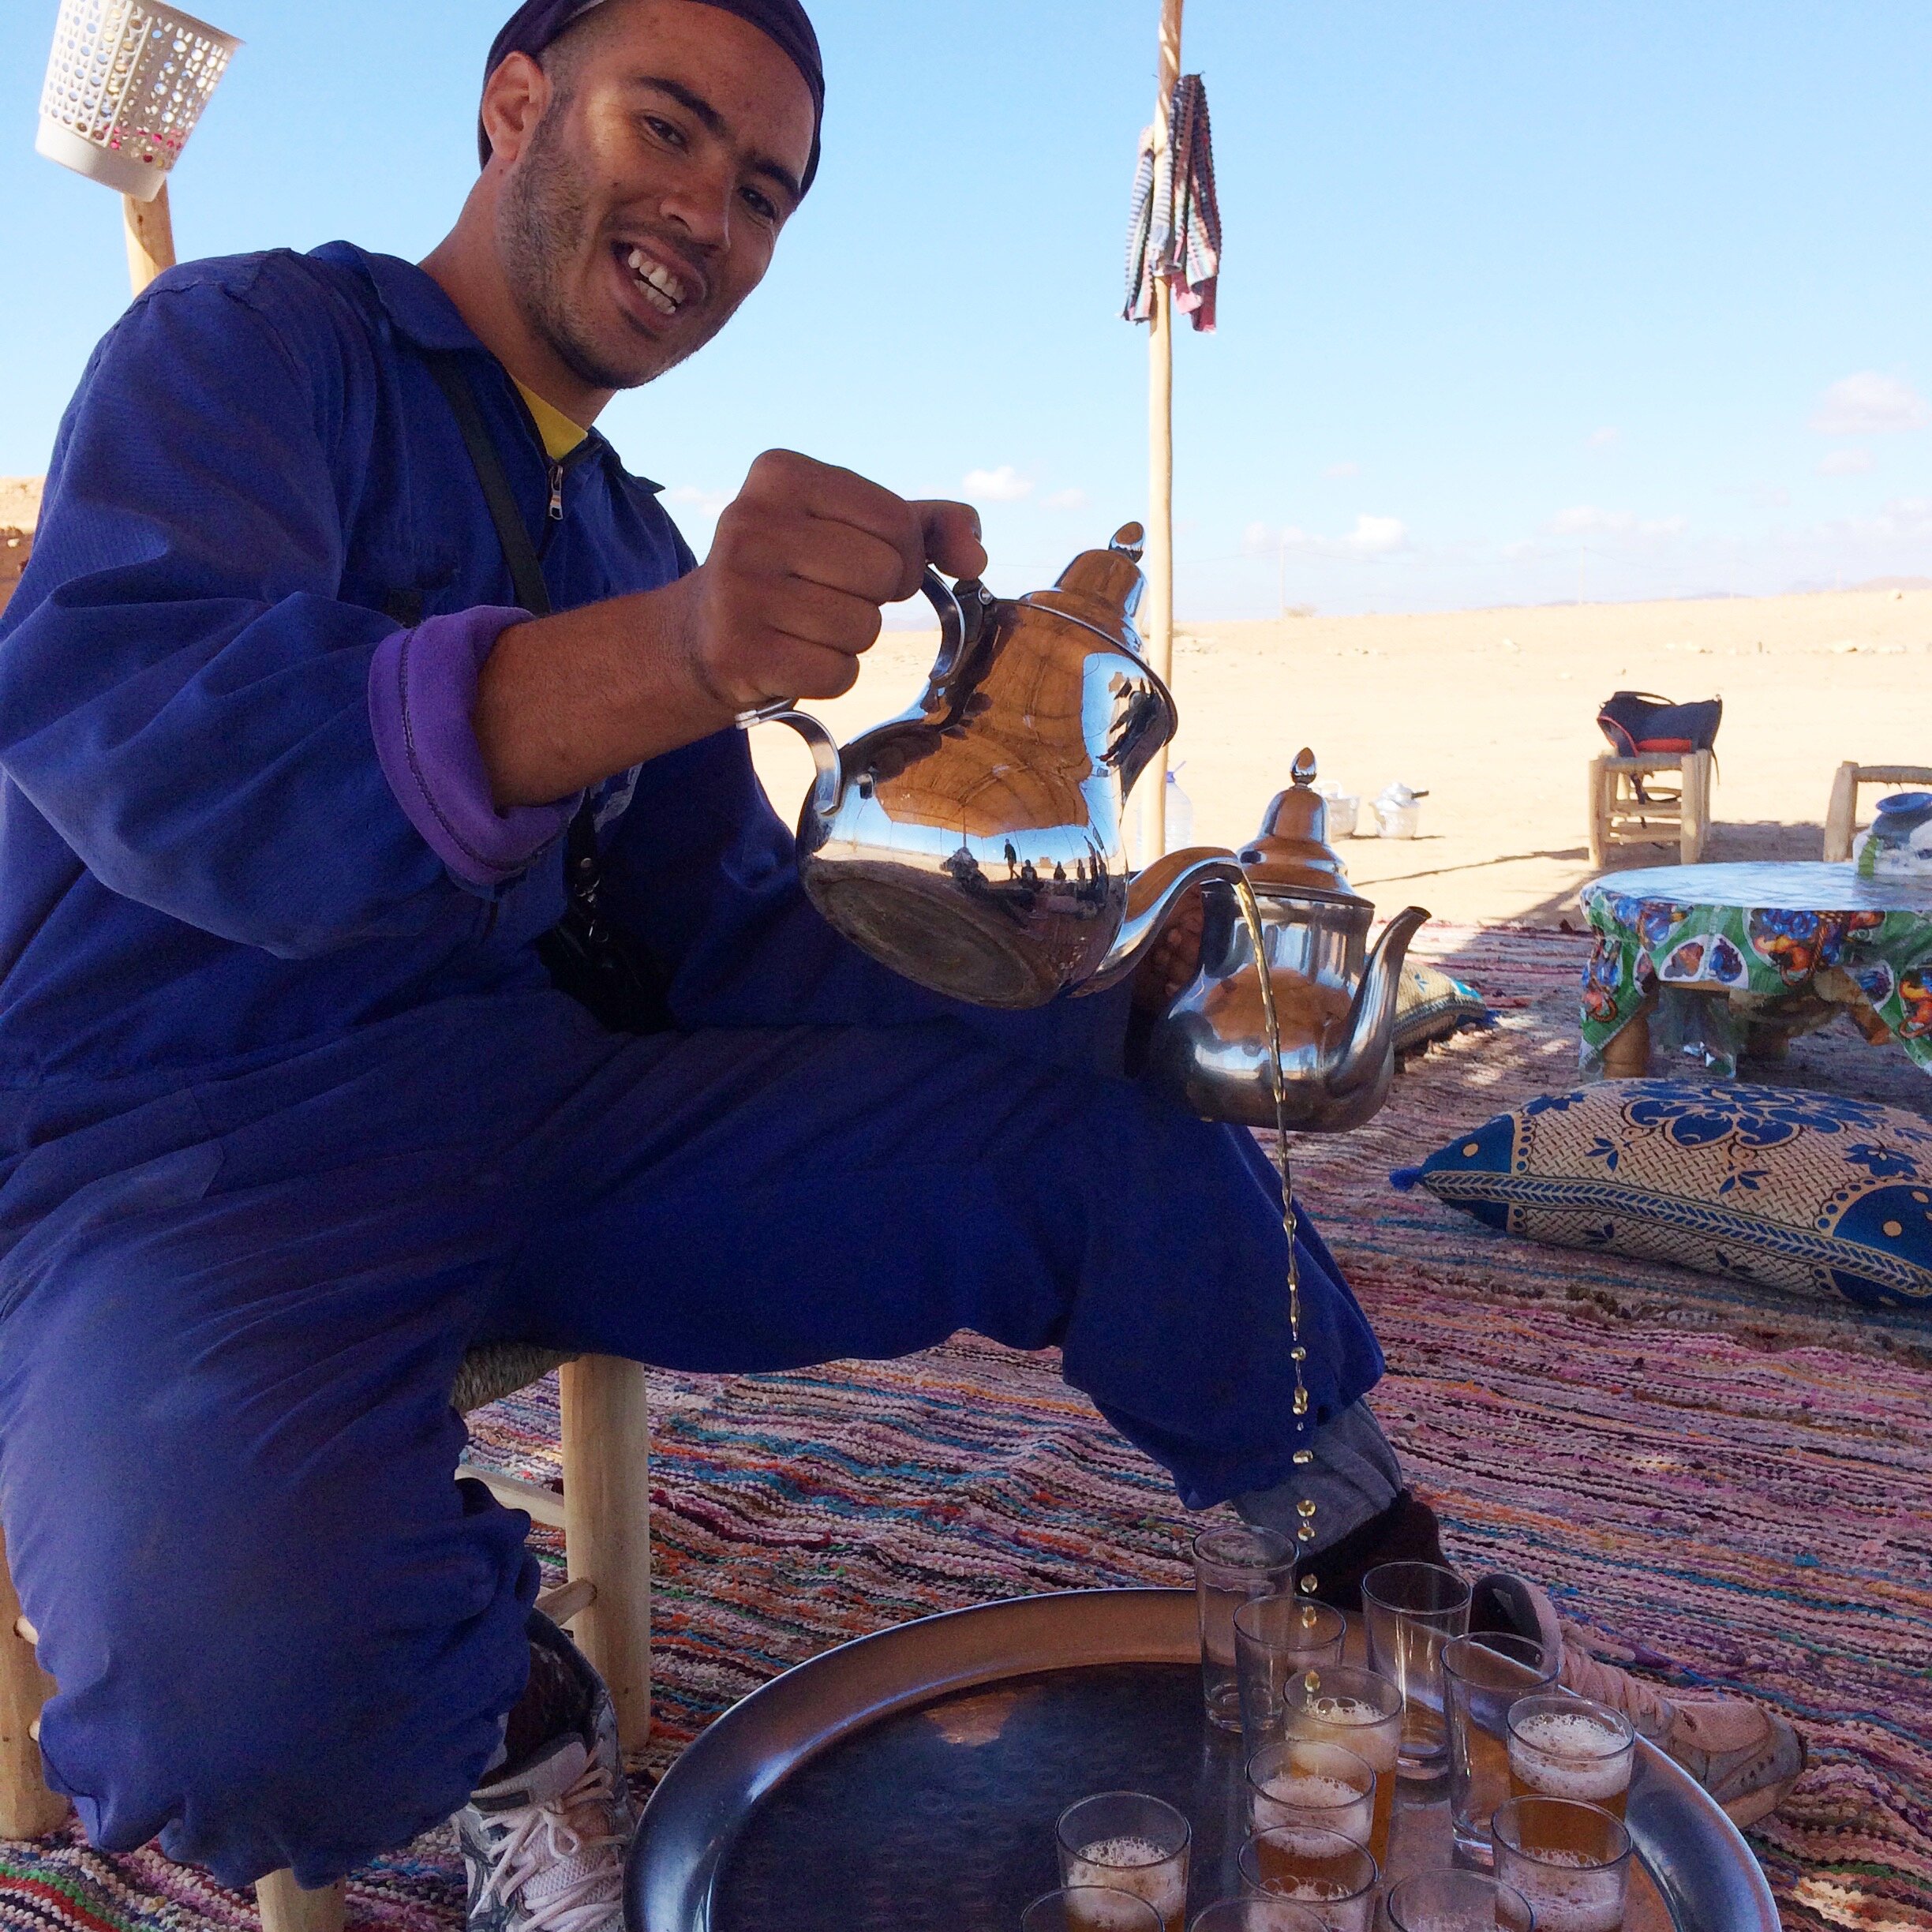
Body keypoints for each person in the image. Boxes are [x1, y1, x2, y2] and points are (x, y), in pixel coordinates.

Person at [0, 0, 1799, 1922]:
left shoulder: (619, 529)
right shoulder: (255, 350)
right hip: (179, 1155)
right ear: (515, 104)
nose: (710, 212)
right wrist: (685, 649)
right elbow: (153, 726)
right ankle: (514, 1715)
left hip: (546, 1114)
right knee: (242, 1696)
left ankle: (1397, 1604)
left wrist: (1117, 988)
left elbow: (719, 947)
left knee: (1100, 1130)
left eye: (764, 189)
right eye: (666, 129)